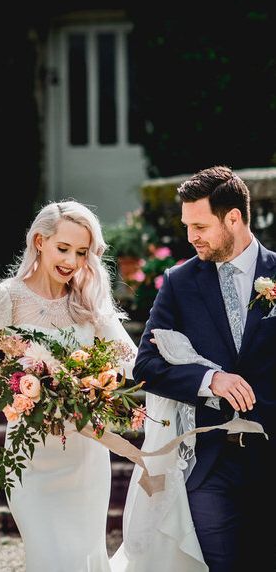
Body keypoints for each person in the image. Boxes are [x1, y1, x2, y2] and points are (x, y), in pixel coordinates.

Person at [131, 165, 276, 572]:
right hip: (211, 463)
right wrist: (209, 380)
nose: (190, 236)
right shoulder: (179, 282)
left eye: (199, 226)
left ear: (233, 218)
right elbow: (146, 364)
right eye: (186, 225)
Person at [0, 199, 138, 572]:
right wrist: (23, 391)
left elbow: (130, 361)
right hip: (30, 455)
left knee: (82, 560)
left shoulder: (88, 301)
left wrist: (100, 382)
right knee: (48, 557)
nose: (71, 260)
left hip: (84, 456)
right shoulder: (5, 298)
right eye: (62, 248)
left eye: (81, 252)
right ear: (39, 242)